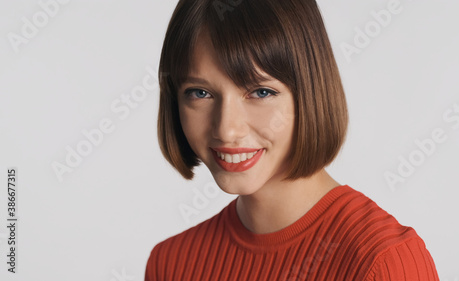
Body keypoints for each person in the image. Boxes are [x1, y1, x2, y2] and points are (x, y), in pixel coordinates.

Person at [145, 0, 439, 280]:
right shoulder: (171, 263)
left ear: (310, 92)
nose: (226, 129)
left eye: (261, 92)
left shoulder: (382, 263)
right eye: (200, 93)